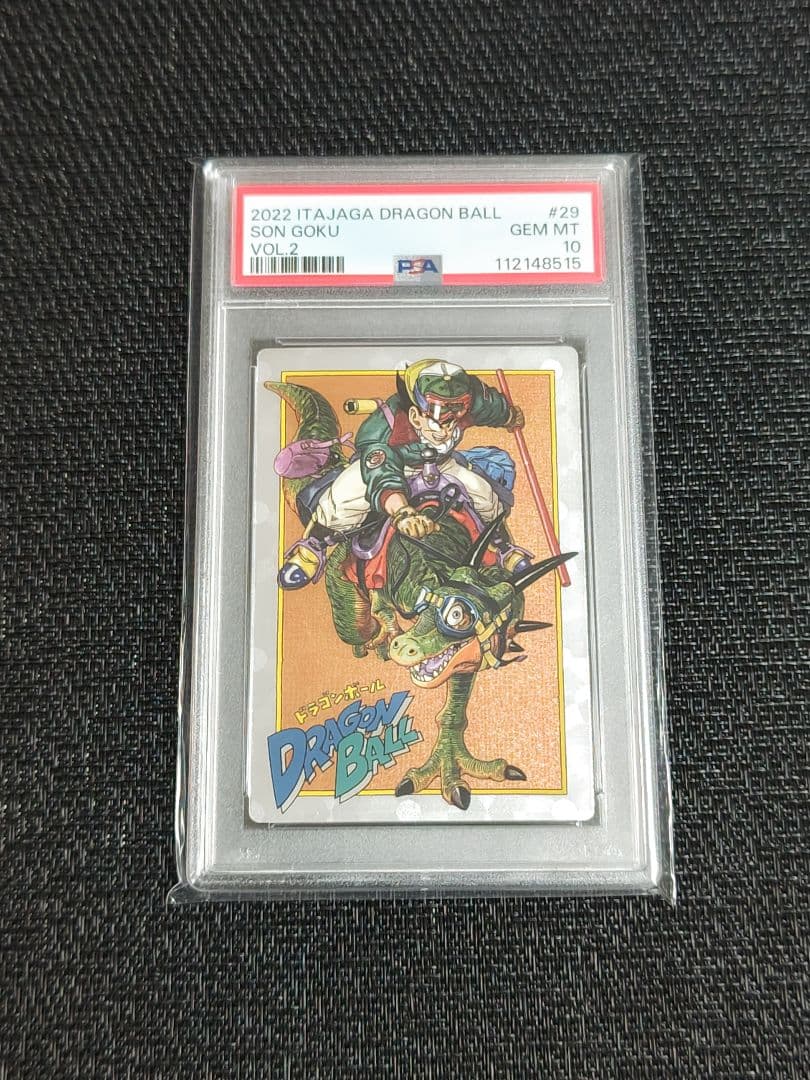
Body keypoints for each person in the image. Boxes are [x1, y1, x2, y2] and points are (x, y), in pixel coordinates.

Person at [279, 359, 527, 589]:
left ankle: (501, 546)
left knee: (484, 494)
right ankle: (312, 549)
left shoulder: (471, 400)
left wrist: (509, 416)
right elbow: (381, 472)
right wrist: (403, 512)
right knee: (343, 496)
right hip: (391, 468)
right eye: (438, 418)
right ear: (415, 416)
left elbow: (492, 407)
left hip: (442, 465)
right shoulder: (381, 429)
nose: (447, 429)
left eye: (456, 416)